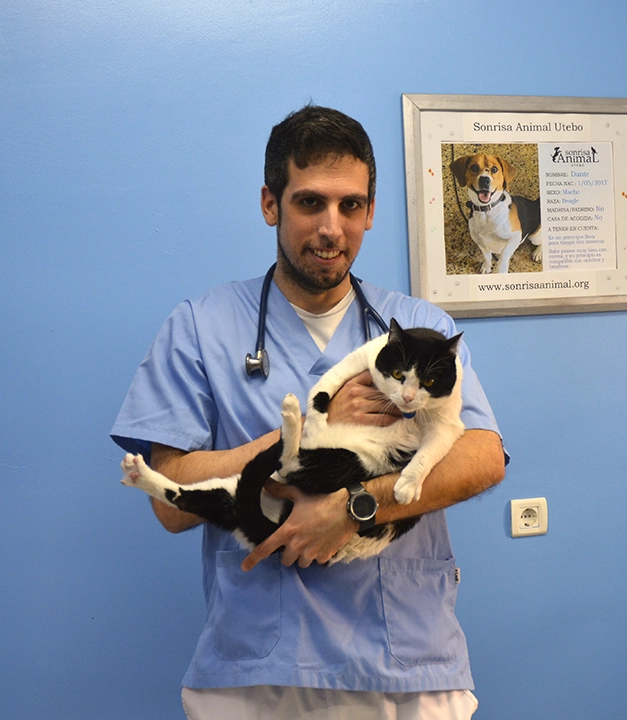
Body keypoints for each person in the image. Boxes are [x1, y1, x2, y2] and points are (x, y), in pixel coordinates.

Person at [111, 105, 506, 720]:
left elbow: (483, 458)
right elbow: (170, 503)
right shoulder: (201, 326)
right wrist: (306, 436)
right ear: (271, 204)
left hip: (404, 666)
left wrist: (355, 508)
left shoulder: (423, 330)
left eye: (351, 206)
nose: (331, 227)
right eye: (309, 203)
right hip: (256, 671)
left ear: (371, 212)